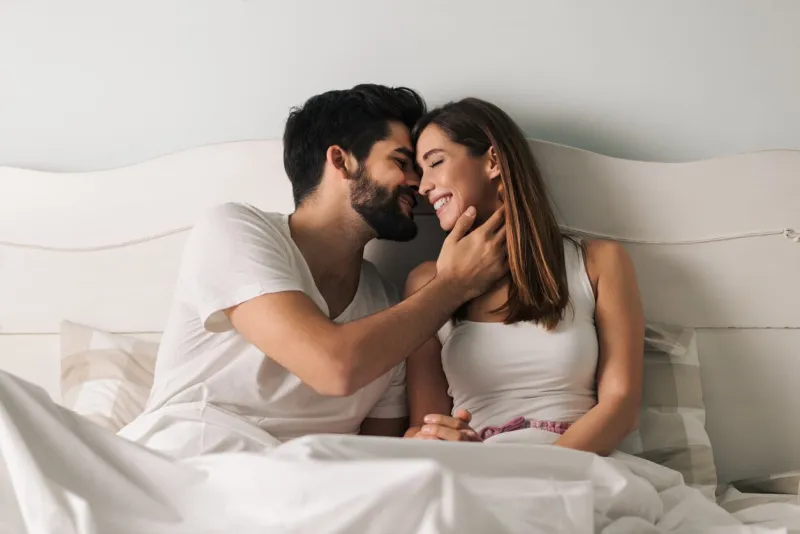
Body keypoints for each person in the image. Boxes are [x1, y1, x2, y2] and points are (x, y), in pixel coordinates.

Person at [117, 85, 507, 457]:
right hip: (192, 457)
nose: (418, 184)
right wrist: (453, 285)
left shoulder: (389, 311)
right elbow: (333, 366)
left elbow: (379, 456)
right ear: (341, 160)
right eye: (401, 163)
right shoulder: (235, 230)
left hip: (308, 492)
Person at [403, 98, 645, 456]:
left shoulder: (598, 262)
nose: (422, 186)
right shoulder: (426, 283)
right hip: (475, 471)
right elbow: (425, 425)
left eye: (435, 162)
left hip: (575, 466)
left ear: (493, 161)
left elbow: (621, 406)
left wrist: (537, 474)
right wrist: (425, 438)